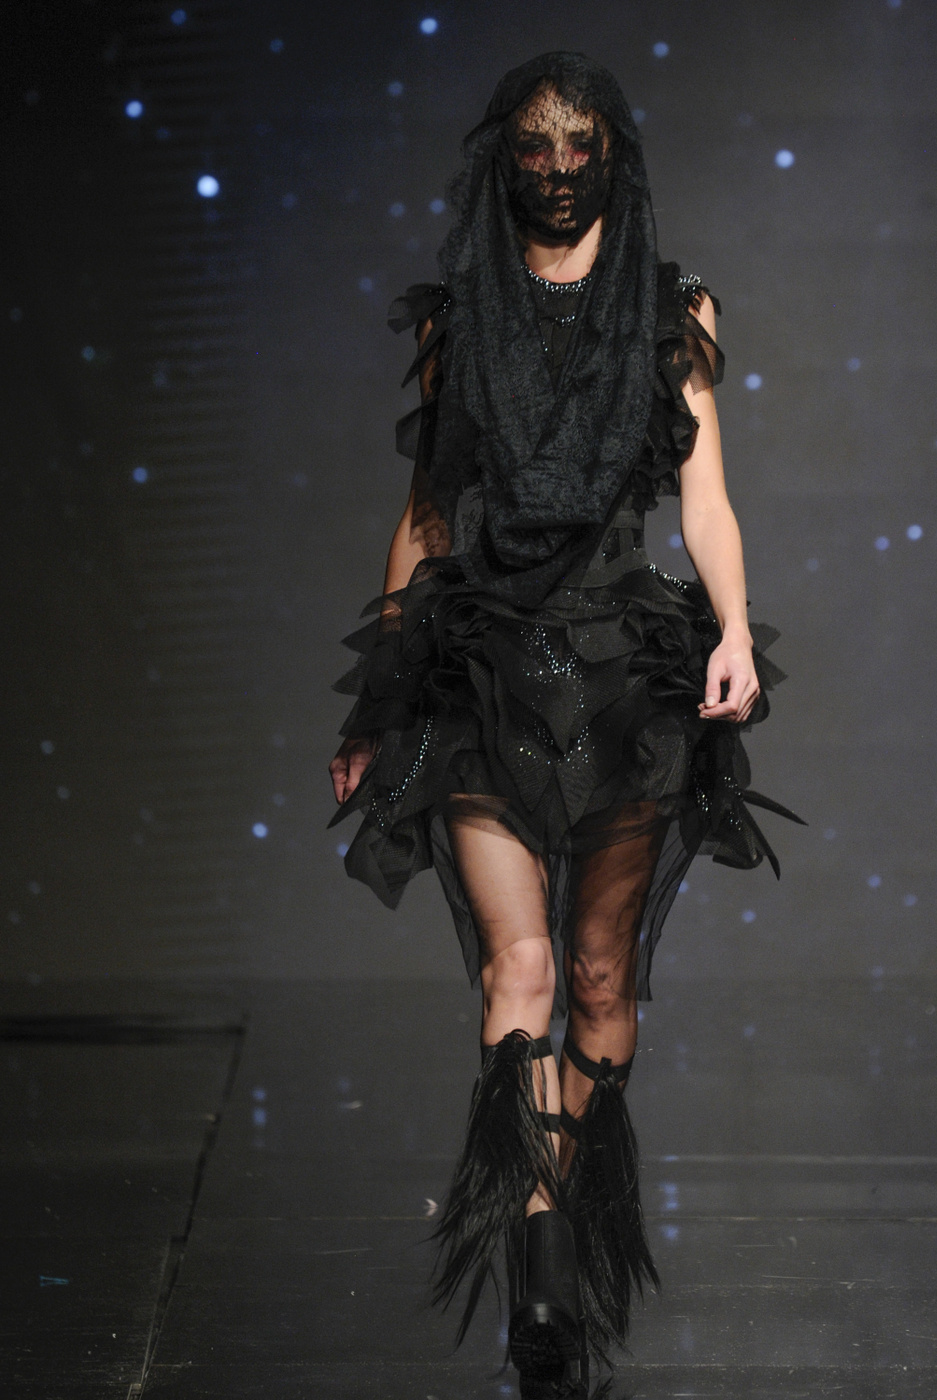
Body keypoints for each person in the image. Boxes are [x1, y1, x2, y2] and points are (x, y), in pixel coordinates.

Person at [329, 51, 800, 1399]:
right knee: (519, 971)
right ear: (502, 161)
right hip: (483, 670)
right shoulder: (461, 317)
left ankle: (563, 1205)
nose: (553, 172)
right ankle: (542, 1250)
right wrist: (381, 694)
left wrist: (730, 630)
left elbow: (705, 500)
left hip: (621, 678)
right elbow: (429, 514)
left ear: (613, 158)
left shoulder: (671, 316)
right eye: (531, 149)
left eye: (577, 147)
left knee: (598, 982)